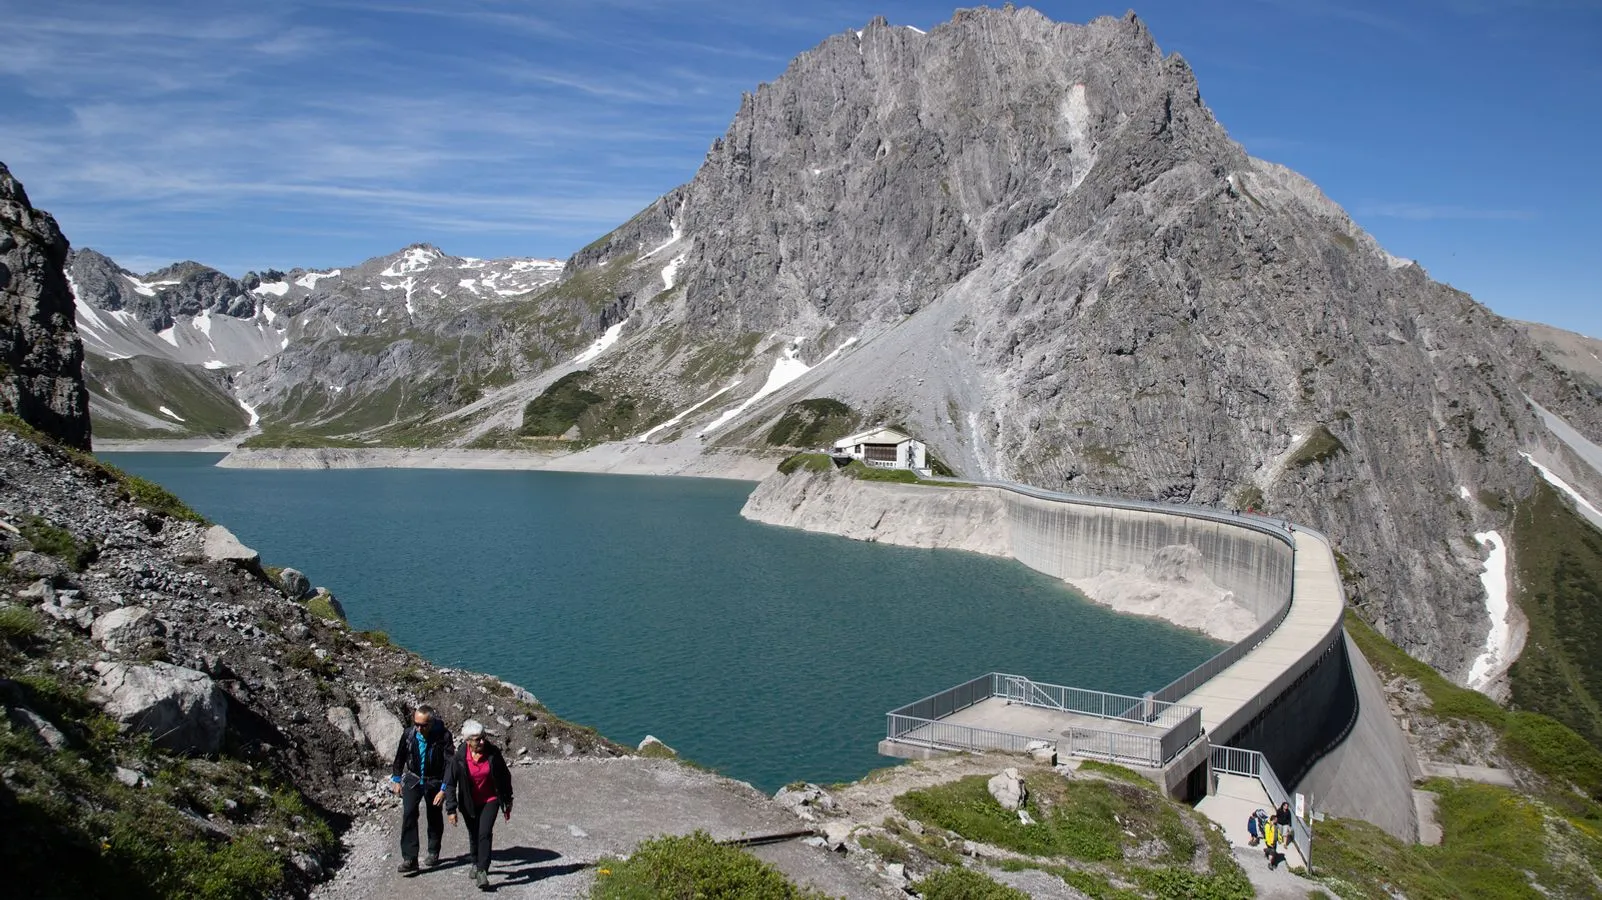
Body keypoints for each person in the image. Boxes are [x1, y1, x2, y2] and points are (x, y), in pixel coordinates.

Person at [445, 719, 514, 891]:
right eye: (477, 739)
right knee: (474, 833)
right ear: (468, 741)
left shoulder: (493, 754)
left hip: (490, 800)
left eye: (483, 737)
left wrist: (508, 799)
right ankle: (475, 862)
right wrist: (451, 809)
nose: (482, 741)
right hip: (469, 802)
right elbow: (450, 783)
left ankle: (483, 870)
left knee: (484, 833)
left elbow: (505, 776)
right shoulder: (459, 758)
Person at [390, 704, 455, 875]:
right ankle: (410, 859)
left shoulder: (444, 736)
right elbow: (400, 758)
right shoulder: (409, 734)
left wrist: (443, 789)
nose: (419, 728)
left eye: (423, 725)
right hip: (413, 779)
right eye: (416, 724)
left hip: (434, 781)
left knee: (434, 815)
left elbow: (450, 764)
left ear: (432, 723)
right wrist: (396, 780)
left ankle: (433, 851)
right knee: (409, 813)